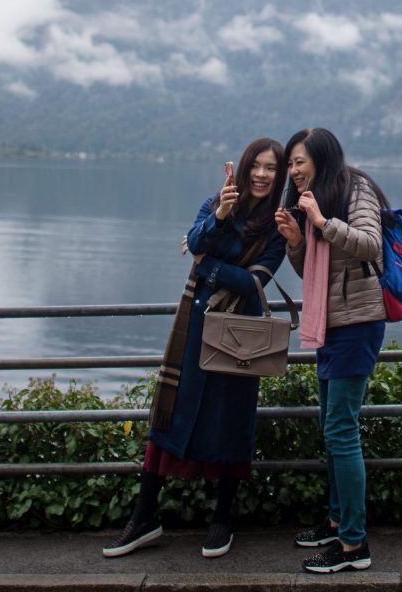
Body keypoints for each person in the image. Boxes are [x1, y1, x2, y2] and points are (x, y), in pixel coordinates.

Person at [103, 137, 288, 560]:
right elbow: (196, 235)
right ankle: (144, 516)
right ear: (242, 168)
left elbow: (253, 283)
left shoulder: (279, 225)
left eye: (271, 168)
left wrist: (207, 264)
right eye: (256, 166)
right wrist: (221, 216)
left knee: (231, 419)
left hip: (241, 332)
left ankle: (223, 519)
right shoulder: (215, 205)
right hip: (196, 325)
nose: (261, 174)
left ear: (278, 178)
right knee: (172, 414)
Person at [273, 127, 387, 574]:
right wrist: (297, 241)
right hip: (330, 322)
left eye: (299, 162)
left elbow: (370, 245)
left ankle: (354, 544)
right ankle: (338, 520)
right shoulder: (311, 199)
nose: (293, 171)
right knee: (331, 425)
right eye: (290, 164)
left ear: (321, 158)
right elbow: (310, 272)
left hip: (358, 323)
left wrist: (320, 223)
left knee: (341, 427)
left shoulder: (354, 187)